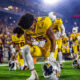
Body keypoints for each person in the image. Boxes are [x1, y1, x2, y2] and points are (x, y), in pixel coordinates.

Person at [14, 12, 56, 80]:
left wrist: (52, 54)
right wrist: (35, 43)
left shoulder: (44, 21)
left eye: (29, 27)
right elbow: (27, 40)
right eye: (26, 28)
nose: (28, 30)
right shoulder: (26, 27)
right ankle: (33, 74)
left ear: (34, 21)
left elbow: (53, 39)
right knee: (25, 48)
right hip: (38, 47)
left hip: (49, 47)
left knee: (51, 75)